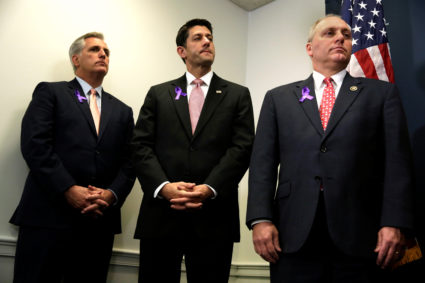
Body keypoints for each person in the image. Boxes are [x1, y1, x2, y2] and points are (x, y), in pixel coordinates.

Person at [246, 14, 414, 282]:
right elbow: (262, 164)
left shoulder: (381, 94)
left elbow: (398, 164)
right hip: (292, 233)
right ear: (310, 48)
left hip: (362, 233)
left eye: (346, 34)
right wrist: (260, 219)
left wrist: (394, 222)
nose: (341, 38)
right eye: (330, 33)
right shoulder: (278, 98)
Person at [131, 18, 255, 283]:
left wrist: (208, 188)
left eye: (209, 37)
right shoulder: (159, 93)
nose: (207, 41)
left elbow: (242, 148)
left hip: (214, 215)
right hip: (162, 214)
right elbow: (140, 145)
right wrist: (163, 186)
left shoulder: (237, 95)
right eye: (198, 37)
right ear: (181, 51)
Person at [10, 32, 135, 283]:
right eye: (95, 50)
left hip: (98, 222)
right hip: (48, 217)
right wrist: (68, 188)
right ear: (76, 59)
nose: (103, 54)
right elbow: (35, 145)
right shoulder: (51, 93)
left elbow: (131, 161)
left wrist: (111, 194)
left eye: (106, 52)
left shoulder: (122, 110)